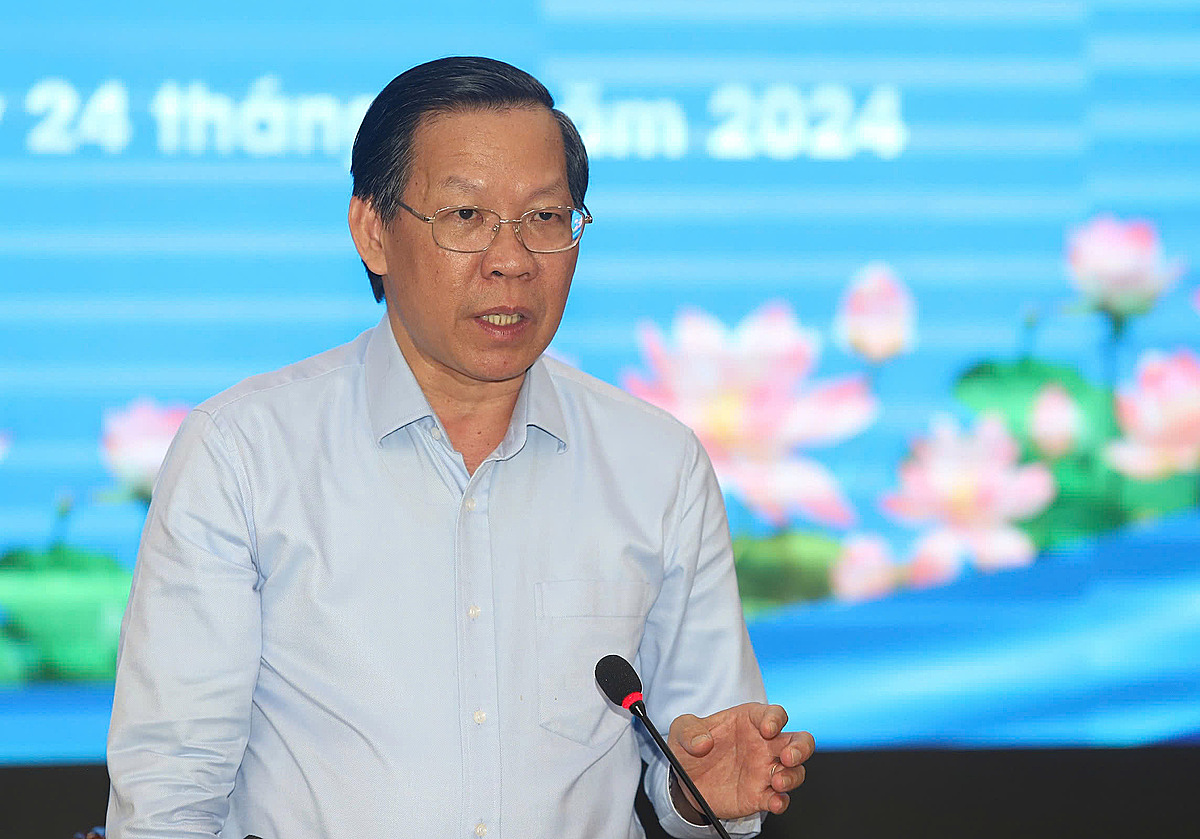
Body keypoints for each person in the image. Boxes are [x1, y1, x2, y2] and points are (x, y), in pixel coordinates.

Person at [105, 56, 813, 839]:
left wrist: (697, 793)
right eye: (467, 216)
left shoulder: (657, 465)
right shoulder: (243, 454)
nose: (512, 259)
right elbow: (169, 795)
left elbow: (702, 761)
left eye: (546, 218)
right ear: (373, 231)